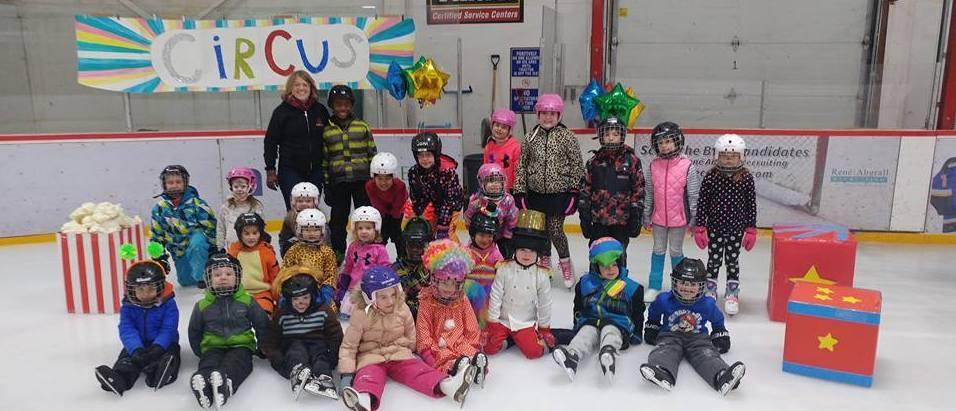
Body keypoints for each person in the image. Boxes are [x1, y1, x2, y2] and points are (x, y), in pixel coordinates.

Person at [337, 266, 477, 411]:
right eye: (383, 297)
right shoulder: (360, 314)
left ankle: (447, 385)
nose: (390, 301)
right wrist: (347, 373)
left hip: (399, 353)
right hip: (370, 356)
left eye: (393, 295)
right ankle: (363, 400)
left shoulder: (402, 308)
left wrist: (413, 350)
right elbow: (349, 346)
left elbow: (411, 332)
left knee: (418, 371)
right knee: (369, 376)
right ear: (368, 297)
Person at [639, 258, 746, 397]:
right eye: (682, 282)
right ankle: (663, 372)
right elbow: (654, 311)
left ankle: (722, 376)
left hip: (698, 339)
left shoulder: (707, 304)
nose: (686, 287)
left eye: (692, 284)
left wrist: (720, 333)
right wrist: (652, 327)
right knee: (663, 351)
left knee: (707, 355)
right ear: (674, 282)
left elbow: (717, 320)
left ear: (701, 285)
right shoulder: (664, 299)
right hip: (670, 336)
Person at [513, 93, 585, 288]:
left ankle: (565, 262)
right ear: (538, 114)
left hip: (558, 195)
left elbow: (577, 165)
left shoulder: (567, 137)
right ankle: (544, 262)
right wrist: (519, 192)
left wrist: (574, 192)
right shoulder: (530, 137)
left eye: (552, 113)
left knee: (555, 230)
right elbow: (521, 166)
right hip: (536, 194)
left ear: (559, 115)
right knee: (541, 231)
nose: (548, 117)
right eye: (544, 113)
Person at [551, 238, 644, 384]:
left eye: (614, 264)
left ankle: (608, 353)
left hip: (617, 323)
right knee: (586, 332)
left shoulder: (630, 288)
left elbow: (638, 313)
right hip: (591, 320)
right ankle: (572, 355)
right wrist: (577, 324)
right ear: (595, 267)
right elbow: (578, 306)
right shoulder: (585, 283)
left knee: (611, 331)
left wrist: (637, 333)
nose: (611, 269)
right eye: (605, 266)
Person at [188, 253, 270, 408]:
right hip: (212, 346)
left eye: (228, 273)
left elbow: (262, 323)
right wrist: (200, 351)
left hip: (241, 345)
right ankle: (203, 383)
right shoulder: (202, 305)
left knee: (239, 362)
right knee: (209, 362)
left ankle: (226, 381)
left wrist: (262, 347)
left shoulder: (247, 300)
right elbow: (194, 331)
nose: (223, 277)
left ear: (237, 276)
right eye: (217, 274)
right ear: (208, 279)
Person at [95, 258, 180, 396]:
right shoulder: (128, 307)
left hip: (164, 343)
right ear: (132, 289)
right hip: (138, 343)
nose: (146, 294)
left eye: (151, 288)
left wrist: (159, 347)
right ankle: (120, 379)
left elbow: (169, 328)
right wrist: (135, 349)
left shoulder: (168, 304)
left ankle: (160, 373)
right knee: (127, 359)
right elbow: (127, 329)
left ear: (160, 287)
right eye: (140, 289)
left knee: (170, 355)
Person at [694, 134, 757, 315]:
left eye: (733, 156)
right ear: (717, 156)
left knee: (732, 261)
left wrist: (751, 228)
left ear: (741, 156)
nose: (728, 160)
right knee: (713, 260)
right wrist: (700, 226)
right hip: (715, 228)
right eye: (724, 156)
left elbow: (750, 204)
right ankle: (710, 289)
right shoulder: (711, 177)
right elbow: (703, 202)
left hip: (736, 229)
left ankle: (731, 293)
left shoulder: (746, 178)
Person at [261, 265, 343, 400]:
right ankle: (298, 372)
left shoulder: (323, 310)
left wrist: (333, 357)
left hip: (318, 343)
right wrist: (277, 359)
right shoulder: (282, 315)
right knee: (296, 351)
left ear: (313, 295)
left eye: (305, 298)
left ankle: (324, 377)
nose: (301, 303)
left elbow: (335, 333)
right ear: (288, 299)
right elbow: (271, 338)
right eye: (296, 299)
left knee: (320, 355)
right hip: (293, 343)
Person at [484, 209, 555, 360]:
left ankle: (555, 337)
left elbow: (545, 303)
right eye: (522, 250)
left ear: (538, 254)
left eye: (531, 251)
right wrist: (493, 321)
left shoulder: (542, 274)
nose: (527, 255)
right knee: (488, 348)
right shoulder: (504, 268)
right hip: (503, 320)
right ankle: (509, 341)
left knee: (533, 352)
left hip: (525, 322)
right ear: (515, 249)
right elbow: (495, 296)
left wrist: (544, 328)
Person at [417, 240, 488, 386]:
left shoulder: (461, 299)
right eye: (444, 283)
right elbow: (423, 329)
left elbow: (471, 325)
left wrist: (473, 345)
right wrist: (428, 353)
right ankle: (457, 369)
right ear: (435, 280)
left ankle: (476, 366)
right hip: (438, 345)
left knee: (468, 351)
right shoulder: (427, 301)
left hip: (459, 340)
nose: (449, 289)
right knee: (444, 357)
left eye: (454, 284)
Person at [643, 122, 700, 302]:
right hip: (659, 219)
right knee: (658, 250)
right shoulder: (653, 166)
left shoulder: (687, 166)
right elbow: (649, 192)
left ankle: (679, 284)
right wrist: (646, 213)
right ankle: (654, 285)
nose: (665, 145)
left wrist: (693, 219)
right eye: (660, 143)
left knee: (676, 251)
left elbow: (693, 194)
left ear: (677, 142)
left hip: (679, 220)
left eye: (668, 141)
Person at [264, 70, 330, 211]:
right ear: (290, 89)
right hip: (290, 170)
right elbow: (270, 141)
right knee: (295, 210)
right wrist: (270, 169)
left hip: (316, 170)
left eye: (305, 85)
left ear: (311, 87)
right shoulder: (281, 112)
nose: (301, 88)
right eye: (297, 85)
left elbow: (329, 138)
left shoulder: (320, 110)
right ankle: (291, 233)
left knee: (312, 210)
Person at [578, 117, 645, 256]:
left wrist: (636, 216)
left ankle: (620, 277)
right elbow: (585, 190)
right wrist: (584, 218)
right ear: (601, 136)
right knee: (597, 253)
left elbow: (638, 189)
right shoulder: (594, 162)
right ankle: (595, 277)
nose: (611, 138)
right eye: (607, 134)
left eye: (615, 134)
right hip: (599, 220)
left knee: (619, 254)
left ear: (622, 136)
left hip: (621, 221)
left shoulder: (632, 160)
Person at [323, 84, 376, 252]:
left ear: (351, 105)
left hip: (362, 180)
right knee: (338, 220)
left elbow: (372, 153)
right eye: (338, 104)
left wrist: (374, 181)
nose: (342, 108)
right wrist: (326, 184)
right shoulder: (327, 130)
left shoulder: (362, 126)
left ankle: (367, 249)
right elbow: (325, 159)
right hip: (339, 182)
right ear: (332, 106)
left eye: (346, 104)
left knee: (365, 216)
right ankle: (338, 252)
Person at [150, 165, 216, 288]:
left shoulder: (197, 204)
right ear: (164, 184)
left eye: (178, 182)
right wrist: (158, 256)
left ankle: (203, 276)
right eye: (170, 182)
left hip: (195, 244)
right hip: (177, 248)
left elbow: (210, 227)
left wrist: (214, 249)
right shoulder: (159, 208)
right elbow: (156, 234)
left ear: (185, 183)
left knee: (198, 242)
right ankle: (191, 273)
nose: (174, 185)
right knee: (186, 282)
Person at [407, 131, 465, 241]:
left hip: (451, 206)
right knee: (425, 233)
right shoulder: (413, 172)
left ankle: (456, 255)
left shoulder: (447, 171)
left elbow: (450, 200)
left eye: (428, 155)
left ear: (436, 154)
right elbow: (416, 198)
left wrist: (443, 226)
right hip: (430, 206)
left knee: (447, 235)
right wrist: (420, 217)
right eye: (421, 156)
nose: (425, 159)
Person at [334, 206, 390, 318]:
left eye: (368, 228)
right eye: (360, 228)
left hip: (371, 291)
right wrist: (342, 286)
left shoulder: (379, 249)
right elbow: (348, 267)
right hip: (352, 289)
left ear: (376, 229)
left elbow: (385, 270)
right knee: (347, 317)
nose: (364, 231)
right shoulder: (353, 246)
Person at [282, 209, 338, 310]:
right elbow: (286, 269)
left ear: (322, 230)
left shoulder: (326, 251)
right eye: (307, 230)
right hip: (297, 289)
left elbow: (331, 274)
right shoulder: (294, 250)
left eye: (316, 229)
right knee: (284, 306)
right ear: (299, 230)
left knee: (329, 308)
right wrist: (288, 286)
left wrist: (327, 290)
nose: (311, 233)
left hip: (319, 289)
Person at [226, 212, 279, 315]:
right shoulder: (233, 251)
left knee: (264, 317)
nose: (251, 237)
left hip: (262, 294)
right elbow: (227, 273)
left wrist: (278, 298)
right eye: (246, 234)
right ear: (239, 234)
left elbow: (275, 276)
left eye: (255, 233)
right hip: (239, 295)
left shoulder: (266, 251)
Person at [463, 163, 518, 258]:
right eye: (491, 181)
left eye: (499, 181)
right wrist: (472, 208)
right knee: (473, 254)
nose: (495, 184)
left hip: (501, 235)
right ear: (482, 183)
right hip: (482, 234)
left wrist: (508, 235)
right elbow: (468, 218)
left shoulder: (508, 200)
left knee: (506, 254)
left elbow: (512, 219)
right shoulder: (477, 199)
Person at [463, 208, 504, 329]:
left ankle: (487, 327)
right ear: (473, 234)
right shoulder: (467, 252)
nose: (486, 240)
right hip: (471, 294)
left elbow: (501, 269)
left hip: (490, 294)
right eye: (481, 235)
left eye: (489, 236)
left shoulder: (495, 252)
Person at [365, 152, 408, 259]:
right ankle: (377, 259)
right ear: (373, 177)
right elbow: (377, 205)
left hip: (397, 212)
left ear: (393, 177)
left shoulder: (400, 186)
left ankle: (403, 259)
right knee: (380, 237)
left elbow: (397, 209)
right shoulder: (369, 186)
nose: (383, 183)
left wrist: (394, 227)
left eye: (387, 179)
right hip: (381, 213)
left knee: (398, 236)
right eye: (379, 179)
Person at [393, 216, 435, 319]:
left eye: (420, 245)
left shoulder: (434, 267)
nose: (415, 250)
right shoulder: (396, 269)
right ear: (405, 245)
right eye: (411, 245)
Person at [216, 167, 264, 250]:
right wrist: (219, 248)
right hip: (232, 249)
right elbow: (221, 228)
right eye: (236, 186)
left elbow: (262, 228)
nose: (239, 190)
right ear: (231, 187)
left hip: (252, 249)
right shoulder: (226, 206)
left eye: (243, 186)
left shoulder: (256, 206)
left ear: (250, 187)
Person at [482, 108, 521, 192]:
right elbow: (484, 170)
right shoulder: (488, 147)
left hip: (509, 191)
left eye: (503, 127)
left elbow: (518, 172)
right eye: (497, 125)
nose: (499, 129)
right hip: (491, 190)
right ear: (492, 126)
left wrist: (517, 191)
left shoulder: (515, 147)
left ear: (509, 130)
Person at [278, 182, 321, 257]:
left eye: (308, 201)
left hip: (317, 254)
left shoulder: (321, 218)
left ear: (315, 202)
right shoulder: (290, 218)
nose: (304, 204)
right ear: (293, 202)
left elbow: (327, 242)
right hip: (296, 256)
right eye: (300, 201)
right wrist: (285, 253)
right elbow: (283, 239)